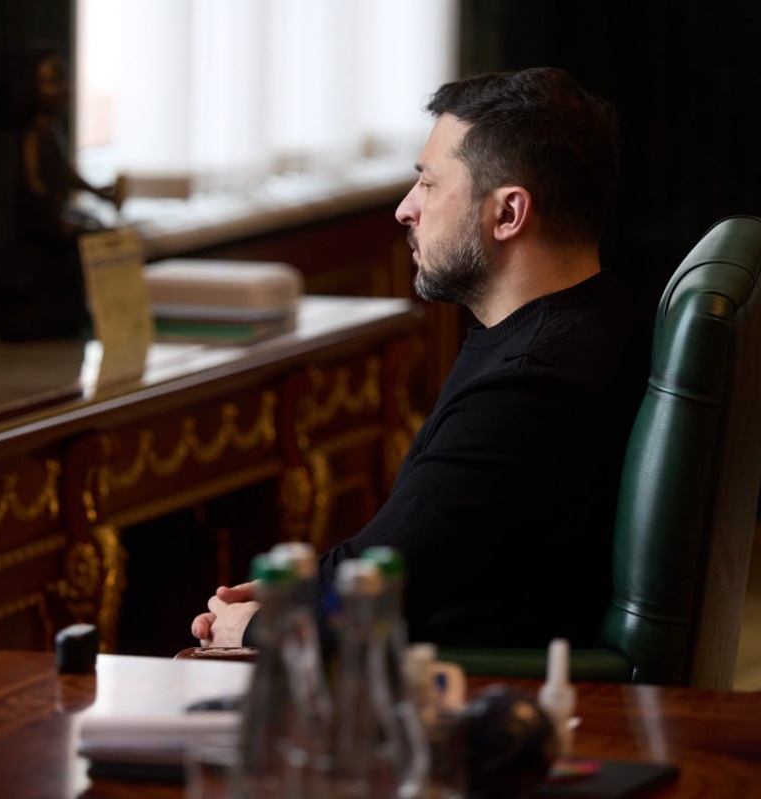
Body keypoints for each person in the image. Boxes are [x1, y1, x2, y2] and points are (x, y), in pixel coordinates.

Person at [191, 67, 650, 650]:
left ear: (508, 214)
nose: (405, 209)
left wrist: (262, 625)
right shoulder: (592, 323)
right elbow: (412, 546)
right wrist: (299, 591)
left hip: (469, 690)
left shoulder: (531, 389)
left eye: (429, 184)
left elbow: (382, 592)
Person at [0, 47, 127, 341]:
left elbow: (66, 174)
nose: (60, 90)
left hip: (55, 214)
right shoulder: (32, 133)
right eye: (49, 82)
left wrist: (99, 192)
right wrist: (53, 214)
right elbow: (33, 183)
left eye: (60, 81)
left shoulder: (52, 131)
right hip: (41, 222)